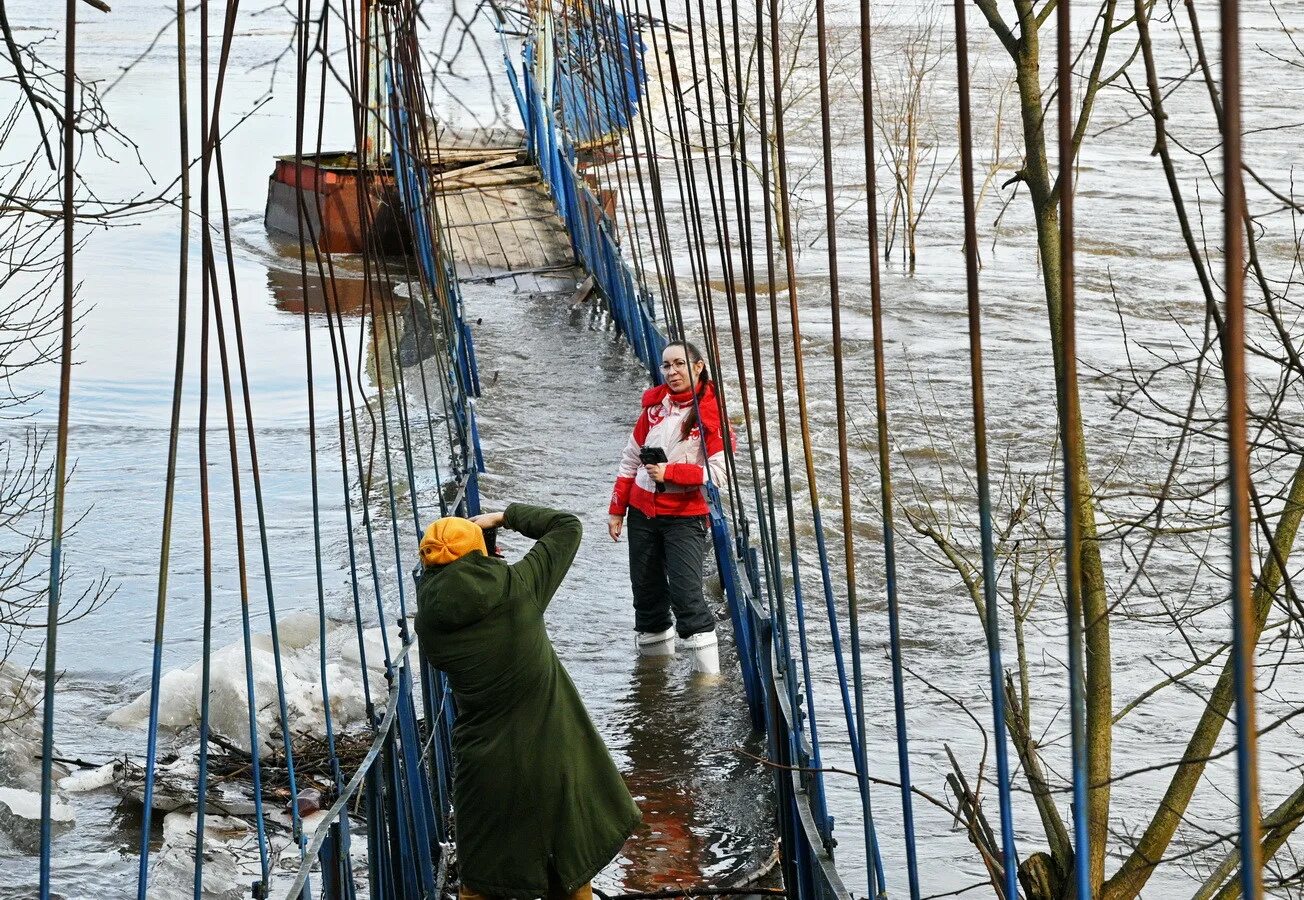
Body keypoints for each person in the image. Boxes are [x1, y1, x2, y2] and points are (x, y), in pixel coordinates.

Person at [414, 504, 642, 900]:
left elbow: (457, 589)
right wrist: (503, 517)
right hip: (554, 752)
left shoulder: (429, 623)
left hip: (484, 764)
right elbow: (567, 525)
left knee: (481, 878)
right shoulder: (518, 585)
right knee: (568, 869)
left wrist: (479, 560)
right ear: (478, 552)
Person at [607, 340, 730, 674]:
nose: (672, 372)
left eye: (679, 364)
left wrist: (671, 472)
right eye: (666, 366)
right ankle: (652, 679)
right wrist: (617, 509)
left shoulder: (712, 414)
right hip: (642, 514)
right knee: (646, 597)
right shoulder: (653, 408)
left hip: (684, 517)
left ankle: (708, 683)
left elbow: (720, 474)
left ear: (698, 366)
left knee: (688, 598)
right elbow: (630, 460)